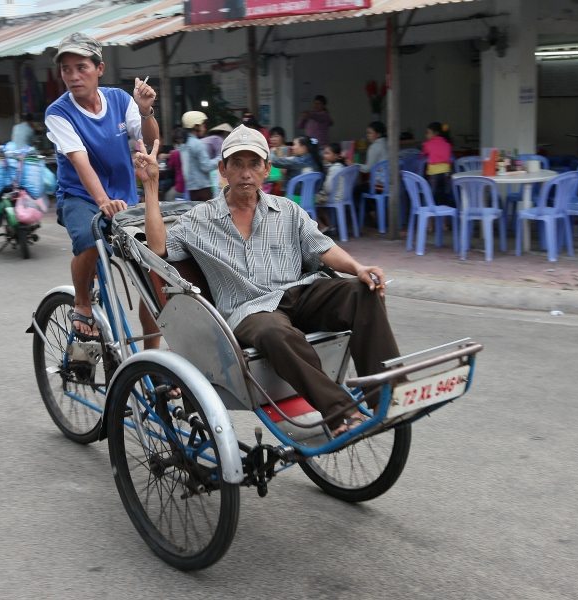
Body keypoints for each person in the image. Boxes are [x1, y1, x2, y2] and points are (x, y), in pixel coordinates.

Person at [133, 125, 401, 435]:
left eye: (253, 164)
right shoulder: (199, 219)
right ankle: (340, 411)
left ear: (267, 170)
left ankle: (387, 393)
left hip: (298, 294)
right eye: (237, 164)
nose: (245, 173)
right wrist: (151, 186)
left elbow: (322, 247)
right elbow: (157, 249)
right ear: (223, 169)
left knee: (362, 291)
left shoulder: (287, 210)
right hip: (249, 311)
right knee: (274, 331)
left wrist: (358, 267)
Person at [44, 32, 160, 342]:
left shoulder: (121, 100)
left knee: (156, 274)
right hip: (80, 196)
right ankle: (82, 302)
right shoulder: (58, 112)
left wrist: (146, 109)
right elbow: (80, 163)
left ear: (100, 68)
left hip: (125, 199)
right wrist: (103, 201)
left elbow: (148, 140)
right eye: (66, 69)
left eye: (81, 67)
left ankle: (154, 362)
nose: (73, 76)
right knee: (88, 239)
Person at [179, 111, 219, 202]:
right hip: (203, 188)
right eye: (203, 125)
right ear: (196, 126)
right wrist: (220, 159)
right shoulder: (198, 144)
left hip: (191, 189)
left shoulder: (183, 144)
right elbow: (206, 166)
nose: (204, 127)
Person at [421, 121, 453, 205]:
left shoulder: (428, 144)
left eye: (428, 133)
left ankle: (430, 210)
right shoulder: (447, 144)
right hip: (446, 172)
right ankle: (446, 211)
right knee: (445, 193)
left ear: (436, 133)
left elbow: (423, 154)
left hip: (434, 173)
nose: (426, 135)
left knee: (432, 193)